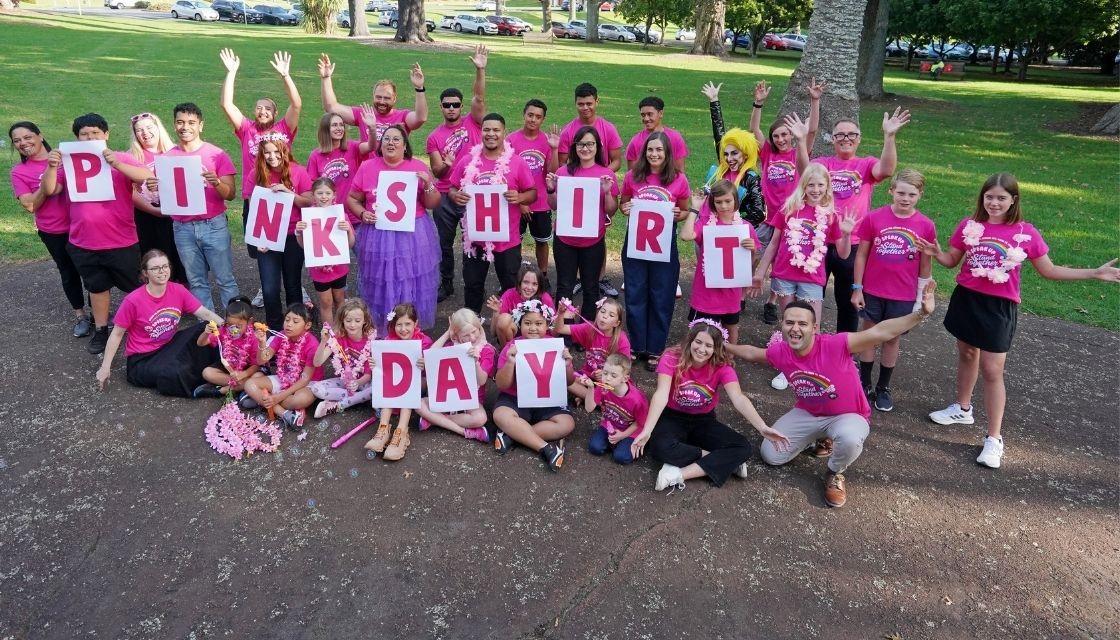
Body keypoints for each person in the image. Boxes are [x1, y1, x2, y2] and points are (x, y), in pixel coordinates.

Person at [917, 173, 1120, 469]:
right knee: (966, 353)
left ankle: (994, 438)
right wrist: (937, 253)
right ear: (982, 198)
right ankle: (962, 409)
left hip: (999, 307)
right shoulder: (969, 226)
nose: (994, 203)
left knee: (991, 370)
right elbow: (952, 261)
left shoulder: (1025, 232)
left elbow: (1048, 270)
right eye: (989, 196)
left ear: (1013, 200)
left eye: (1001, 197)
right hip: (967, 299)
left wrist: (1093, 273)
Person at [727, 283, 938, 507]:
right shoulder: (781, 352)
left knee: (849, 439)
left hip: (848, 415)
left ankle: (834, 473)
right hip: (808, 413)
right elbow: (752, 353)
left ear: (814, 327)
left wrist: (921, 313)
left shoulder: (836, 345)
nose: (795, 328)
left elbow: (880, 332)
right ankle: (819, 438)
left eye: (802, 324)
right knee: (771, 455)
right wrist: (724, 347)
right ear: (782, 325)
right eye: (789, 322)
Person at [786, 105, 910, 333]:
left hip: (852, 244)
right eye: (840, 134)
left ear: (859, 139)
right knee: (811, 296)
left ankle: (844, 350)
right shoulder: (825, 163)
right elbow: (805, 172)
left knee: (848, 301)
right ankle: (810, 343)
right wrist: (802, 141)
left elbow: (887, 169)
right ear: (833, 139)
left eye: (851, 134)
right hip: (819, 241)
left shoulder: (865, 165)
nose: (846, 138)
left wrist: (889, 136)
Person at [40, 113, 153, 355]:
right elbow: (51, 189)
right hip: (84, 240)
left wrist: (117, 164)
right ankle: (102, 330)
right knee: (97, 288)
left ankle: (145, 324)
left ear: (106, 135)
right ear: (77, 138)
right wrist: (51, 166)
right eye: (84, 134)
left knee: (135, 285)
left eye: (95, 133)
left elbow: (148, 176)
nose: (90, 137)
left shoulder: (120, 157)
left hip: (121, 239)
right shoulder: (68, 163)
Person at [631, 320, 789, 491]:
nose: (701, 349)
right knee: (658, 447)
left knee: (743, 448)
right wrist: (647, 431)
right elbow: (661, 394)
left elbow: (738, 398)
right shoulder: (671, 357)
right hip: (672, 416)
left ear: (716, 348)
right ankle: (723, 462)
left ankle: (677, 474)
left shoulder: (722, 367)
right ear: (690, 340)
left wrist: (762, 427)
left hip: (703, 420)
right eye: (698, 342)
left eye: (708, 345)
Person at [850, 169, 936, 412]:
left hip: (903, 294)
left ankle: (883, 387)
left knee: (892, 338)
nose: (905, 198)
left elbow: (925, 264)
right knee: (869, 334)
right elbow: (862, 255)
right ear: (891, 191)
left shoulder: (926, 225)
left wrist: (921, 297)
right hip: (873, 291)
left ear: (920, 194)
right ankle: (864, 382)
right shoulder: (874, 218)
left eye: (911, 194)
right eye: (900, 192)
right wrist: (858, 289)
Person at [348, 124, 441, 333]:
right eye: (386, 139)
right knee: (382, 278)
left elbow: (433, 202)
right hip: (378, 233)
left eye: (396, 139)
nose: (390, 143)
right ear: (380, 144)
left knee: (410, 278)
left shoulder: (417, 165)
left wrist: (428, 184)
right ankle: (382, 325)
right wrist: (362, 213)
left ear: (405, 145)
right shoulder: (368, 167)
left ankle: (409, 326)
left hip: (412, 233)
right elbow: (352, 198)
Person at [95, 249, 224, 396]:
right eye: (155, 268)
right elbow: (117, 334)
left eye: (165, 266)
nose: (162, 271)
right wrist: (105, 367)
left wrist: (231, 328)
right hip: (143, 358)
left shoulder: (178, 290)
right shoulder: (133, 301)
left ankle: (226, 369)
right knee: (174, 373)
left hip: (170, 345)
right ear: (145, 273)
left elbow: (204, 313)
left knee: (207, 329)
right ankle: (208, 390)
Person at [747, 78, 823, 324]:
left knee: (783, 262)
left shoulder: (799, 153)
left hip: (793, 220)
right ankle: (741, 294)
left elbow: (811, 131)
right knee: (754, 254)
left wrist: (815, 101)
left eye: (784, 135)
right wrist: (758, 105)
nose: (780, 139)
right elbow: (754, 132)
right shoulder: (768, 153)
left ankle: (771, 302)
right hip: (768, 218)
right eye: (776, 136)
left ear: (792, 136)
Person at [447, 113, 537, 314]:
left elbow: (532, 193)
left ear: (504, 132)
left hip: (507, 240)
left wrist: (520, 198)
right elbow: (452, 187)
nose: (491, 134)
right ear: (481, 132)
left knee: (511, 287)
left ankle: (510, 330)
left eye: (496, 130)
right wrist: (456, 196)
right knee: (472, 286)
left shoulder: (517, 163)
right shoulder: (467, 161)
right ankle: (471, 330)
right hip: (476, 239)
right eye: (487, 129)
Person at [8, 121, 91, 337]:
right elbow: (30, 205)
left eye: (27, 137)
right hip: (53, 231)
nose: (23, 143)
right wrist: (47, 186)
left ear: (40, 135)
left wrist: (44, 188)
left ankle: (99, 312)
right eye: (17, 141)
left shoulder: (68, 158)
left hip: (82, 225)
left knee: (91, 269)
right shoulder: (19, 172)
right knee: (68, 272)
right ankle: (81, 315)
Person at [619, 131, 690, 372]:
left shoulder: (679, 179)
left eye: (659, 150)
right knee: (635, 293)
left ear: (667, 152)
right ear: (644, 152)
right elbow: (623, 203)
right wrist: (625, 208)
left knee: (662, 295)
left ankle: (656, 348)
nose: (654, 154)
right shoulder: (632, 176)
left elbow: (685, 210)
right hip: (636, 244)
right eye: (650, 150)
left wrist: (681, 215)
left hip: (663, 246)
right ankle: (638, 345)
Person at [162, 102, 241, 311]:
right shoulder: (167, 158)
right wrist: (154, 186)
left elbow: (231, 195)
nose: (185, 127)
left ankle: (235, 328)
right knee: (196, 281)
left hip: (213, 224)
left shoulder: (216, 155)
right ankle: (208, 328)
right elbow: (165, 198)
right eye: (180, 122)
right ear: (174, 125)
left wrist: (216, 183)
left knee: (225, 278)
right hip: (182, 227)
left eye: (191, 122)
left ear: (200, 125)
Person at [428, 45, 489, 302]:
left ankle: (473, 284)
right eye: (446, 105)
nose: (451, 108)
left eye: (455, 105)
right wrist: (446, 163)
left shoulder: (472, 121)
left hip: (473, 192)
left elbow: (480, 99)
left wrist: (480, 71)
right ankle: (446, 283)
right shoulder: (434, 137)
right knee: (444, 243)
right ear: (440, 107)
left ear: (461, 106)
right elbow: (437, 172)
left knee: (474, 241)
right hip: (445, 196)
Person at [218, 48, 302, 225]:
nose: (263, 111)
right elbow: (226, 104)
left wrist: (286, 76)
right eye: (259, 108)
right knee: (257, 246)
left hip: (282, 191)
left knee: (285, 239)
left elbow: (296, 104)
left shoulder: (284, 128)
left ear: (275, 112)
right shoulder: (247, 128)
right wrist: (231, 72)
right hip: (254, 194)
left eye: (268, 108)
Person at [491, 299, 575, 472]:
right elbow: (501, 384)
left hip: (548, 400)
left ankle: (513, 436)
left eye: (539, 323)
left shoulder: (556, 346)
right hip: (515, 398)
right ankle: (546, 448)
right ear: (519, 324)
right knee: (500, 415)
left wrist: (567, 365)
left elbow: (569, 382)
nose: (533, 328)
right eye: (527, 323)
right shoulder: (511, 346)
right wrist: (510, 362)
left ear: (547, 325)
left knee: (567, 424)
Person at [546, 125, 619, 319]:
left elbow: (612, 209)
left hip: (592, 241)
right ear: (574, 146)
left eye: (590, 144)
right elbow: (553, 206)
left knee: (591, 287)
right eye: (581, 144)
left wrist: (607, 192)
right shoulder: (562, 172)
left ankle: (586, 330)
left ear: (598, 146)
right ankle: (563, 330)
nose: (585, 148)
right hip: (565, 240)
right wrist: (552, 189)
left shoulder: (606, 174)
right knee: (564, 286)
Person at [558, 83, 624, 297]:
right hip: (575, 195)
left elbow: (616, 161)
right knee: (574, 241)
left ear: (597, 101)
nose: (585, 107)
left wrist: (598, 176)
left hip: (597, 191)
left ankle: (599, 278)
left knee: (595, 238)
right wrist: (581, 177)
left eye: (589, 103)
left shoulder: (608, 128)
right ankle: (577, 279)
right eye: (580, 104)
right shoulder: (569, 130)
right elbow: (563, 165)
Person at [680, 180, 760, 345]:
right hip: (705, 293)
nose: (723, 206)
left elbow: (751, 261)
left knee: (731, 327)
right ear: (712, 203)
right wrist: (695, 208)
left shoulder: (745, 227)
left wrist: (752, 249)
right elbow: (686, 235)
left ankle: (728, 360)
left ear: (736, 201)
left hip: (730, 292)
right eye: (718, 202)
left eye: (728, 201)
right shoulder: (705, 224)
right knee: (697, 329)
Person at [247, 139, 313, 330]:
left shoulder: (298, 171)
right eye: (267, 152)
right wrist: (258, 237)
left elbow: (308, 202)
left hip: (293, 235)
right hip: (267, 236)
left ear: (284, 151)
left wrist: (288, 192)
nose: (272, 156)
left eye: (276, 151)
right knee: (269, 288)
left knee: (293, 284)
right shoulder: (256, 174)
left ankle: (296, 328)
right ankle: (274, 330)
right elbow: (253, 208)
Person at [365, 302, 435, 461]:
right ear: (393, 325)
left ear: (416, 323)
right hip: (395, 385)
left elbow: (434, 370)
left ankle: (401, 431)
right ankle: (383, 430)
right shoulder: (388, 341)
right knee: (389, 383)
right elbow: (384, 370)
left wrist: (426, 363)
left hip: (418, 383)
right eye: (399, 325)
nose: (403, 329)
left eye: (408, 324)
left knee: (410, 385)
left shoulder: (424, 342)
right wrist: (375, 364)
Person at [415, 308, 495, 442]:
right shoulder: (451, 345)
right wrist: (448, 333)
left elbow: (481, 381)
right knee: (417, 403)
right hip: (446, 397)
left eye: (474, 331)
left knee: (481, 418)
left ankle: (434, 420)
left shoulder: (487, 350)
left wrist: (476, 363)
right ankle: (463, 431)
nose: (472, 338)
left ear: (479, 327)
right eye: (466, 335)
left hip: (471, 400)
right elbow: (429, 357)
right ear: (457, 335)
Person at [318, 52, 427, 149]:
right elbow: (331, 107)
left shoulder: (402, 116)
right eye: (378, 97)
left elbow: (421, 118)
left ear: (394, 99)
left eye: (387, 98)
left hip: (393, 169)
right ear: (373, 96)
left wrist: (419, 88)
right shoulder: (364, 114)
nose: (382, 101)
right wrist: (326, 78)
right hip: (368, 169)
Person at [507, 99, 561, 291]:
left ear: (543, 119)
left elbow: (552, 173)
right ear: (524, 114)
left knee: (542, 241)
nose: (533, 119)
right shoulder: (511, 140)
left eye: (538, 117)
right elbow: (506, 172)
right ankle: (515, 279)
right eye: (530, 115)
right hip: (517, 202)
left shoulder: (547, 141)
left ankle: (543, 276)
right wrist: (521, 202)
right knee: (514, 242)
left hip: (541, 204)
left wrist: (554, 149)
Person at [243, 303, 322, 431]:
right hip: (284, 378)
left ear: (307, 325)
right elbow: (261, 360)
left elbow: (305, 379)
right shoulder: (281, 336)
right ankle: (285, 414)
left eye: (295, 321)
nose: (289, 324)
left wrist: (278, 397)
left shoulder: (312, 345)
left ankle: (262, 400)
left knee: (299, 400)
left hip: (306, 384)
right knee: (249, 384)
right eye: (287, 319)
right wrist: (262, 342)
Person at [128, 111, 185, 284]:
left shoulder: (176, 152)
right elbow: (129, 191)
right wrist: (153, 209)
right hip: (147, 216)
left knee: (180, 256)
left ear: (158, 128)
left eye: (149, 127)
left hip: (176, 213)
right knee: (154, 257)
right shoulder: (130, 157)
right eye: (139, 130)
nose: (145, 133)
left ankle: (182, 295)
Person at [296, 178, 355, 324]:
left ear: (334, 195)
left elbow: (350, 244)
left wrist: (348, 231)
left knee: (340, 299)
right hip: (319, 268)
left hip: (338, 267)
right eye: (319, 193)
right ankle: (328, 335)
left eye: (327, 193)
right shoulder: (308, 216)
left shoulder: (341, 216)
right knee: (326, 302)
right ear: (313, 195)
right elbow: (305, 246)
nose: (324, 196)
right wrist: (298, 233)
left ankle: (342, 330)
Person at [554, 296, 629, 405]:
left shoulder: (621, 340)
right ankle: (596, 399)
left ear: (616, 323)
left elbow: (625, 369)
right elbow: (559, 329)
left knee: (616, 390)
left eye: (611, 315)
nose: (605, 316)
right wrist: (560, 314)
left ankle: (589, 397)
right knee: (565, 379)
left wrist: (605, 373)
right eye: (602, 311)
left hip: (608, 381)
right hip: (587, 377)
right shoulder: (589, 328)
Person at [309, 297, 376, 418]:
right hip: (344, 382)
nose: (352, 324)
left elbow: (368, 375)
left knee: (376, 390)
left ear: (364, 321)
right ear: (342, 321)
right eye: (348, 320)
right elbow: (317, 363)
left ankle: (339, 405)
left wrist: (357, 383)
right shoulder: (337, 338)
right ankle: (357, 399)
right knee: (316, 388)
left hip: (365, 382)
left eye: (357, 320)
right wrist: (323, 342)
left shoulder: (370, 341)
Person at [583, 353, 648, 465]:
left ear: (625, 378)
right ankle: (615, 444)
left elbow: (640, 423)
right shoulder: (603, 387)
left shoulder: (637, 399)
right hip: (610, 425)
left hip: (630, 432)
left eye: (613, 375)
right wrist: (590, 388)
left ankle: (622, 445)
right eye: (605, 373)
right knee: (594, 448)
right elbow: (589, 408)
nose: (607, 378)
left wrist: (622, 435)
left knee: (621, 457)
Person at [192, 296, 260, 398]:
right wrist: (206, 333)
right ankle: (241, 388)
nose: (234, 329)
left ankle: (222, 390)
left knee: (257, 377)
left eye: (238, 326)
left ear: (249, 322)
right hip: (229, 367)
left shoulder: (254, 338)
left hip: (249, 369)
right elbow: (201, 343)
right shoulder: (223, 330)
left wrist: (243, 374)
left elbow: (256, 365)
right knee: (207, 373)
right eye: (230, 325)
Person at [305, 112, 362, 222]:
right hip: (329, 216)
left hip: (353, 215)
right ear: (325, 129)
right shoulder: (315, 156)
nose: (339, 128)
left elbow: (371, 146)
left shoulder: (352, 147)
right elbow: (312, 188)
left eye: (341, 125)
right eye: (334, 125)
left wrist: (372, 129)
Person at [485, 263, 555, 346]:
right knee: (504, 319)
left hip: (538, 339)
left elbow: (553, 330)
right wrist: (496, 313)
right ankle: (506, 352)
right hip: (514, 339)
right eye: (526, 282)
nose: (529, 287)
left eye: (534, 284)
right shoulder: (509, 295)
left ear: (539, 286)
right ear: (519, 282)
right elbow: (493, 333)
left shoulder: (545, 298)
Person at [624, 95, 688, 172]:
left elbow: (680, 172)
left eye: (650, 114)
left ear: (660, 113)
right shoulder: (635, 142)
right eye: (643, 115)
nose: (646, 119)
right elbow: (632, 176)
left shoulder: (675, 138)